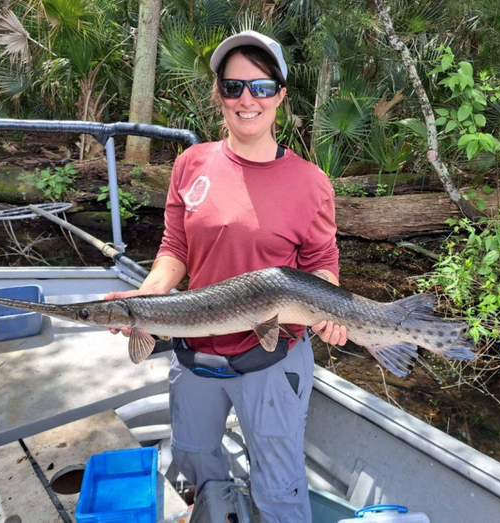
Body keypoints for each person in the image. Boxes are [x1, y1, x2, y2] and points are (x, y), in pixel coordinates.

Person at [104, 30, 347, 523]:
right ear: (219, 94)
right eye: (234, 87)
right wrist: (144, 301)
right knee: (197, 465)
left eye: (261, 87)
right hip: (195, 352)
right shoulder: (190, 163)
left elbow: (321, 262)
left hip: (272, 358)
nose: (246, 99)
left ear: (280, 94)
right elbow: (175, 248)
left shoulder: (311, 181)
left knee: (279, 489)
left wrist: (333, 313)